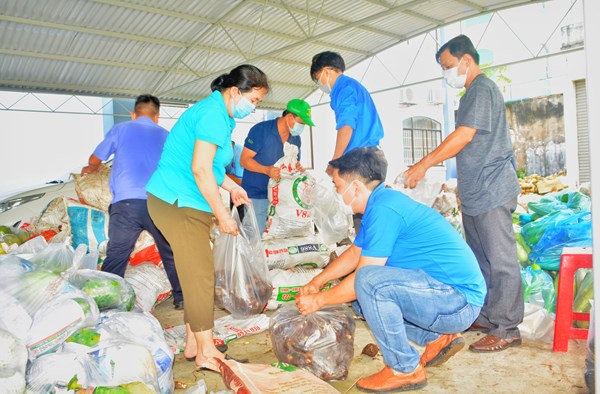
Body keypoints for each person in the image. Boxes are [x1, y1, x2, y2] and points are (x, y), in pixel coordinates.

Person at [295, 147, 486, 392]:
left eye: (337, 186)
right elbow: (355, 253)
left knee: (367, 282)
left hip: (458, 302)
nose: (337, 193)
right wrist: (318, 282)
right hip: (444, 297)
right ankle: (436, 339)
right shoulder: (380, 205)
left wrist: (318, 301)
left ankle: (403, 369)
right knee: (361, 298)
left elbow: (363, 277)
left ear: (355, 187)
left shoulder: (385, 209)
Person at [403, 34, 524, 352]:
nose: (447, 74)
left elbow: (464, 135)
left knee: (501, 260)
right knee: (482, 260)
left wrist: (424, 164)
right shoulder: (473, 93)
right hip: (475, 192)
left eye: (448, 66)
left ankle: (507, 328)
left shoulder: (482, 88)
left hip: (492, 188)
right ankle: (486, 315)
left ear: (466, 60)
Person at [145, 64, 268, 368]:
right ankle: (205, 351)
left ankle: (192, 343)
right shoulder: (213, 114)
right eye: (253, 101)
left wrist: (232, 187)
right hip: (177, 201)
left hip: (185, 200)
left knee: (193, 274)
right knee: (201, 277)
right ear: (235, 91)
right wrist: (222, 213)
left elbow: (211, 167)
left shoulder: (221, 116)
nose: (252, 108)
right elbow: (199, 169)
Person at [81, 94, 184, 310]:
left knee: (117, 254)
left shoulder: (121, 129)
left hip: (126, 204)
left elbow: (94, 159)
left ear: (133, 114)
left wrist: (91, 168)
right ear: (157, 117)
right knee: (170, 253)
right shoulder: (167, 135)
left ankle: (104, 303)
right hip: (160, 204)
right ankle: (181, 298)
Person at [310, 51, 385, 232]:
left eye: (317, 77)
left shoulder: (343, 89)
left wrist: (336, 161)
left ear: (327, 71)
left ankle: (367, 256)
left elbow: (346, 125)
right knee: (372, 211)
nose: (319, 83)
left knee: (362, 214)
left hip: (361, 159)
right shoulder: (354, 87)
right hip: (371, 156)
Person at [240, 98, 313, 235]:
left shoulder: (296, 139)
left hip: (281, 199)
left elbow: (291, 164)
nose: (302, 127)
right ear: (289, 117)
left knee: (279, 238)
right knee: (255, 236)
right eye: (301, 123)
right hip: (257, 195)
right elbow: (244, 160)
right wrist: (266, 170)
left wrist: (297, 168)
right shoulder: (261, 130)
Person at [226, 141, 245, 221]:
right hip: (233, 191)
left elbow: (240, 180)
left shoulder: (239, 152)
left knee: (240, 218)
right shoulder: (223, 152)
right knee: (234, 216)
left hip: (242, 192)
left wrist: (218, 174)